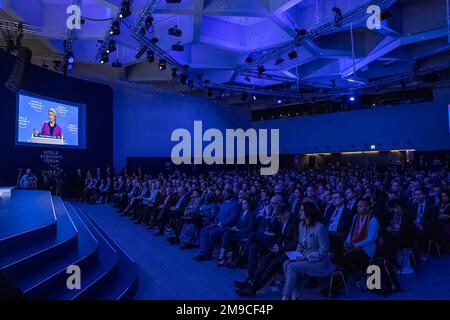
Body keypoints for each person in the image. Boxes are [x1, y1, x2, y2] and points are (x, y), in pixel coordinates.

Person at [234, 205, 299, 297]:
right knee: (265, 258)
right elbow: (280, 237)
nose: (278, 219)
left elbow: (295, 243)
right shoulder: (281, 220)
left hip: (291, 251)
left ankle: (253, 289)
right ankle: (251, 282)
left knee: (272, 264)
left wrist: (280, 248)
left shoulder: (295, 223)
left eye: (280, 216)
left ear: (287, 213)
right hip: (280, 248)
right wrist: (277, 245)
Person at [281, 202, 335, 300]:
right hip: (305, 256)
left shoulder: (320, 228)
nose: (299, 212)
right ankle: (296, 293)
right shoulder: (301, 225)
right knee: (286, 263)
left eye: (302, 210)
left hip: (320, 261)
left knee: (292, 266)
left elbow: (324, 251)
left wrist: (306, 257)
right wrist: (296, 254)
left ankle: (286, 297)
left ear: (308, 212)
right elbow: (301, 244)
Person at [194, 186, 240, 261]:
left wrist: (220, 224)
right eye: (224, 193)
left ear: (231, 194)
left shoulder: (235, 204)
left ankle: (208, 254)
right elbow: (219, 214)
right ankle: (203, 253)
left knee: (211, 233)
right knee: (204, 230)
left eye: (226, 193)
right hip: (217, 224)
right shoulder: (224, 202)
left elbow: (232, 218)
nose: (224, 194)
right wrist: (215, 221)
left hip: (227, 226)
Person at [339, 198, 379, 280]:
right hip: (354, 245)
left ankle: (341, 282)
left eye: (361, 206)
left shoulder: (373, 219)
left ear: (367, 207)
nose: (358, 208)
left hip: (367, 248)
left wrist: (354, 245)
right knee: (337, 253)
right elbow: (351, 232)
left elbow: (370, 239)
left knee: (348, 258)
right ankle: (340, 279)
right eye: (358, 206)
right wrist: (347, 242)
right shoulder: (355, 217)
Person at [217, 198, 255, 266]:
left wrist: (239, 230)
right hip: (238, 232)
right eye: (242, 203)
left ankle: (222, 255)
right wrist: (235, 227)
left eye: (244, 203)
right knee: (227, 232)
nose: (242, 205)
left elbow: (250, 228)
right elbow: (239, 224)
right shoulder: (241, 212)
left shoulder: (251, 214)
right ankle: (225, 256)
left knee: (227, 234)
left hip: (245, 233)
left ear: (249, 205)